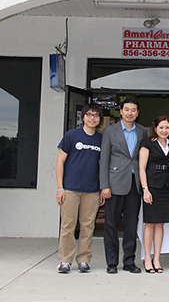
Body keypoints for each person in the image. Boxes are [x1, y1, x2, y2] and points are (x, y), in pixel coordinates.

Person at [55, 102, 104, 274]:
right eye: (89, 115)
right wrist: (60, 188)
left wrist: (102, 188)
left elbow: (102, 165)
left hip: (92, 190)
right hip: (70, 189)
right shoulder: (71, 135)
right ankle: (65, 260)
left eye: (96, 115)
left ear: (100, 119)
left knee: (87, 226)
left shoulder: (101, 139)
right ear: (83, 117)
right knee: (67, 225)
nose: (92, 118)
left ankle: (84, 260)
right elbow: (60, 161)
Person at [100, 97, 147, 274]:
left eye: (133, 110)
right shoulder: (109, 131)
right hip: (114, 184)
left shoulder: (142, 131)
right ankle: (112, 262)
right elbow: (104, 159)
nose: (130, 113)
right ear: (121, 111)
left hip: (134, 185)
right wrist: (104, 185)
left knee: (131, 225)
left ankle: (129, 261)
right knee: (111, 225)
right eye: (126, 109)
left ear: (138, 113)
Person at [139, 116, 169, 274]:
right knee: (150, 223)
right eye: (161, 127)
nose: (164, 130)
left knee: (160, 224)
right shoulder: (147, 143)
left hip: (166, 188)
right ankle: (147, 257)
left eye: (167, 127)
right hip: (152, 187)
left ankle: (157, 258)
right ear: (155, 128)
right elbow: (142, 168)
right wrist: (145, 189)